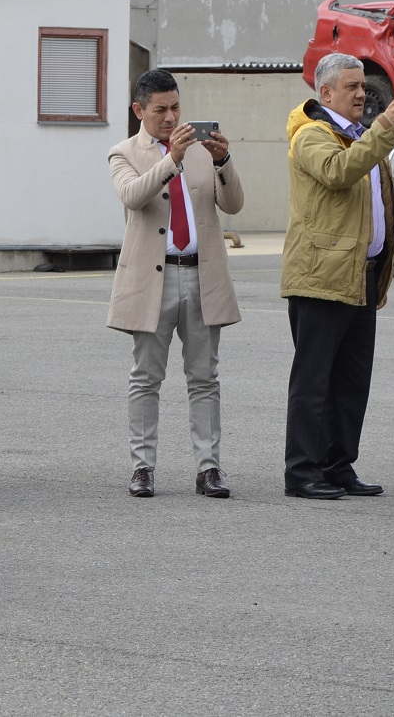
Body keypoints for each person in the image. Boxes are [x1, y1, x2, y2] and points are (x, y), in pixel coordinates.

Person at [281, 53, 394, 499]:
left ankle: (338, 467)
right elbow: (339, 173)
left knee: (352, 382)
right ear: (326, 93)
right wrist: (385, 130)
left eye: (363, 86)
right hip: (321, 276)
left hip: (361, 275)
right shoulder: (311, 136)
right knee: (314, 381)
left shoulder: (359, 135)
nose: (362, 93)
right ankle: (302, 472)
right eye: (352, 86)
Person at [107, 69, 244, 499]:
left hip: (202, 274)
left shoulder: (201, 149)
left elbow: (234, 204)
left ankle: (209, 468)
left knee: (205, 377)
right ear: (139, 111)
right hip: (154, 277)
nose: (171, 118)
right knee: (146, 376)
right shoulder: (123, 153)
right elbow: (133, 196)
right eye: (160, 109)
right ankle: (142, 467)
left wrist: (222, 160)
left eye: (176, 107)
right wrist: (172, 159)